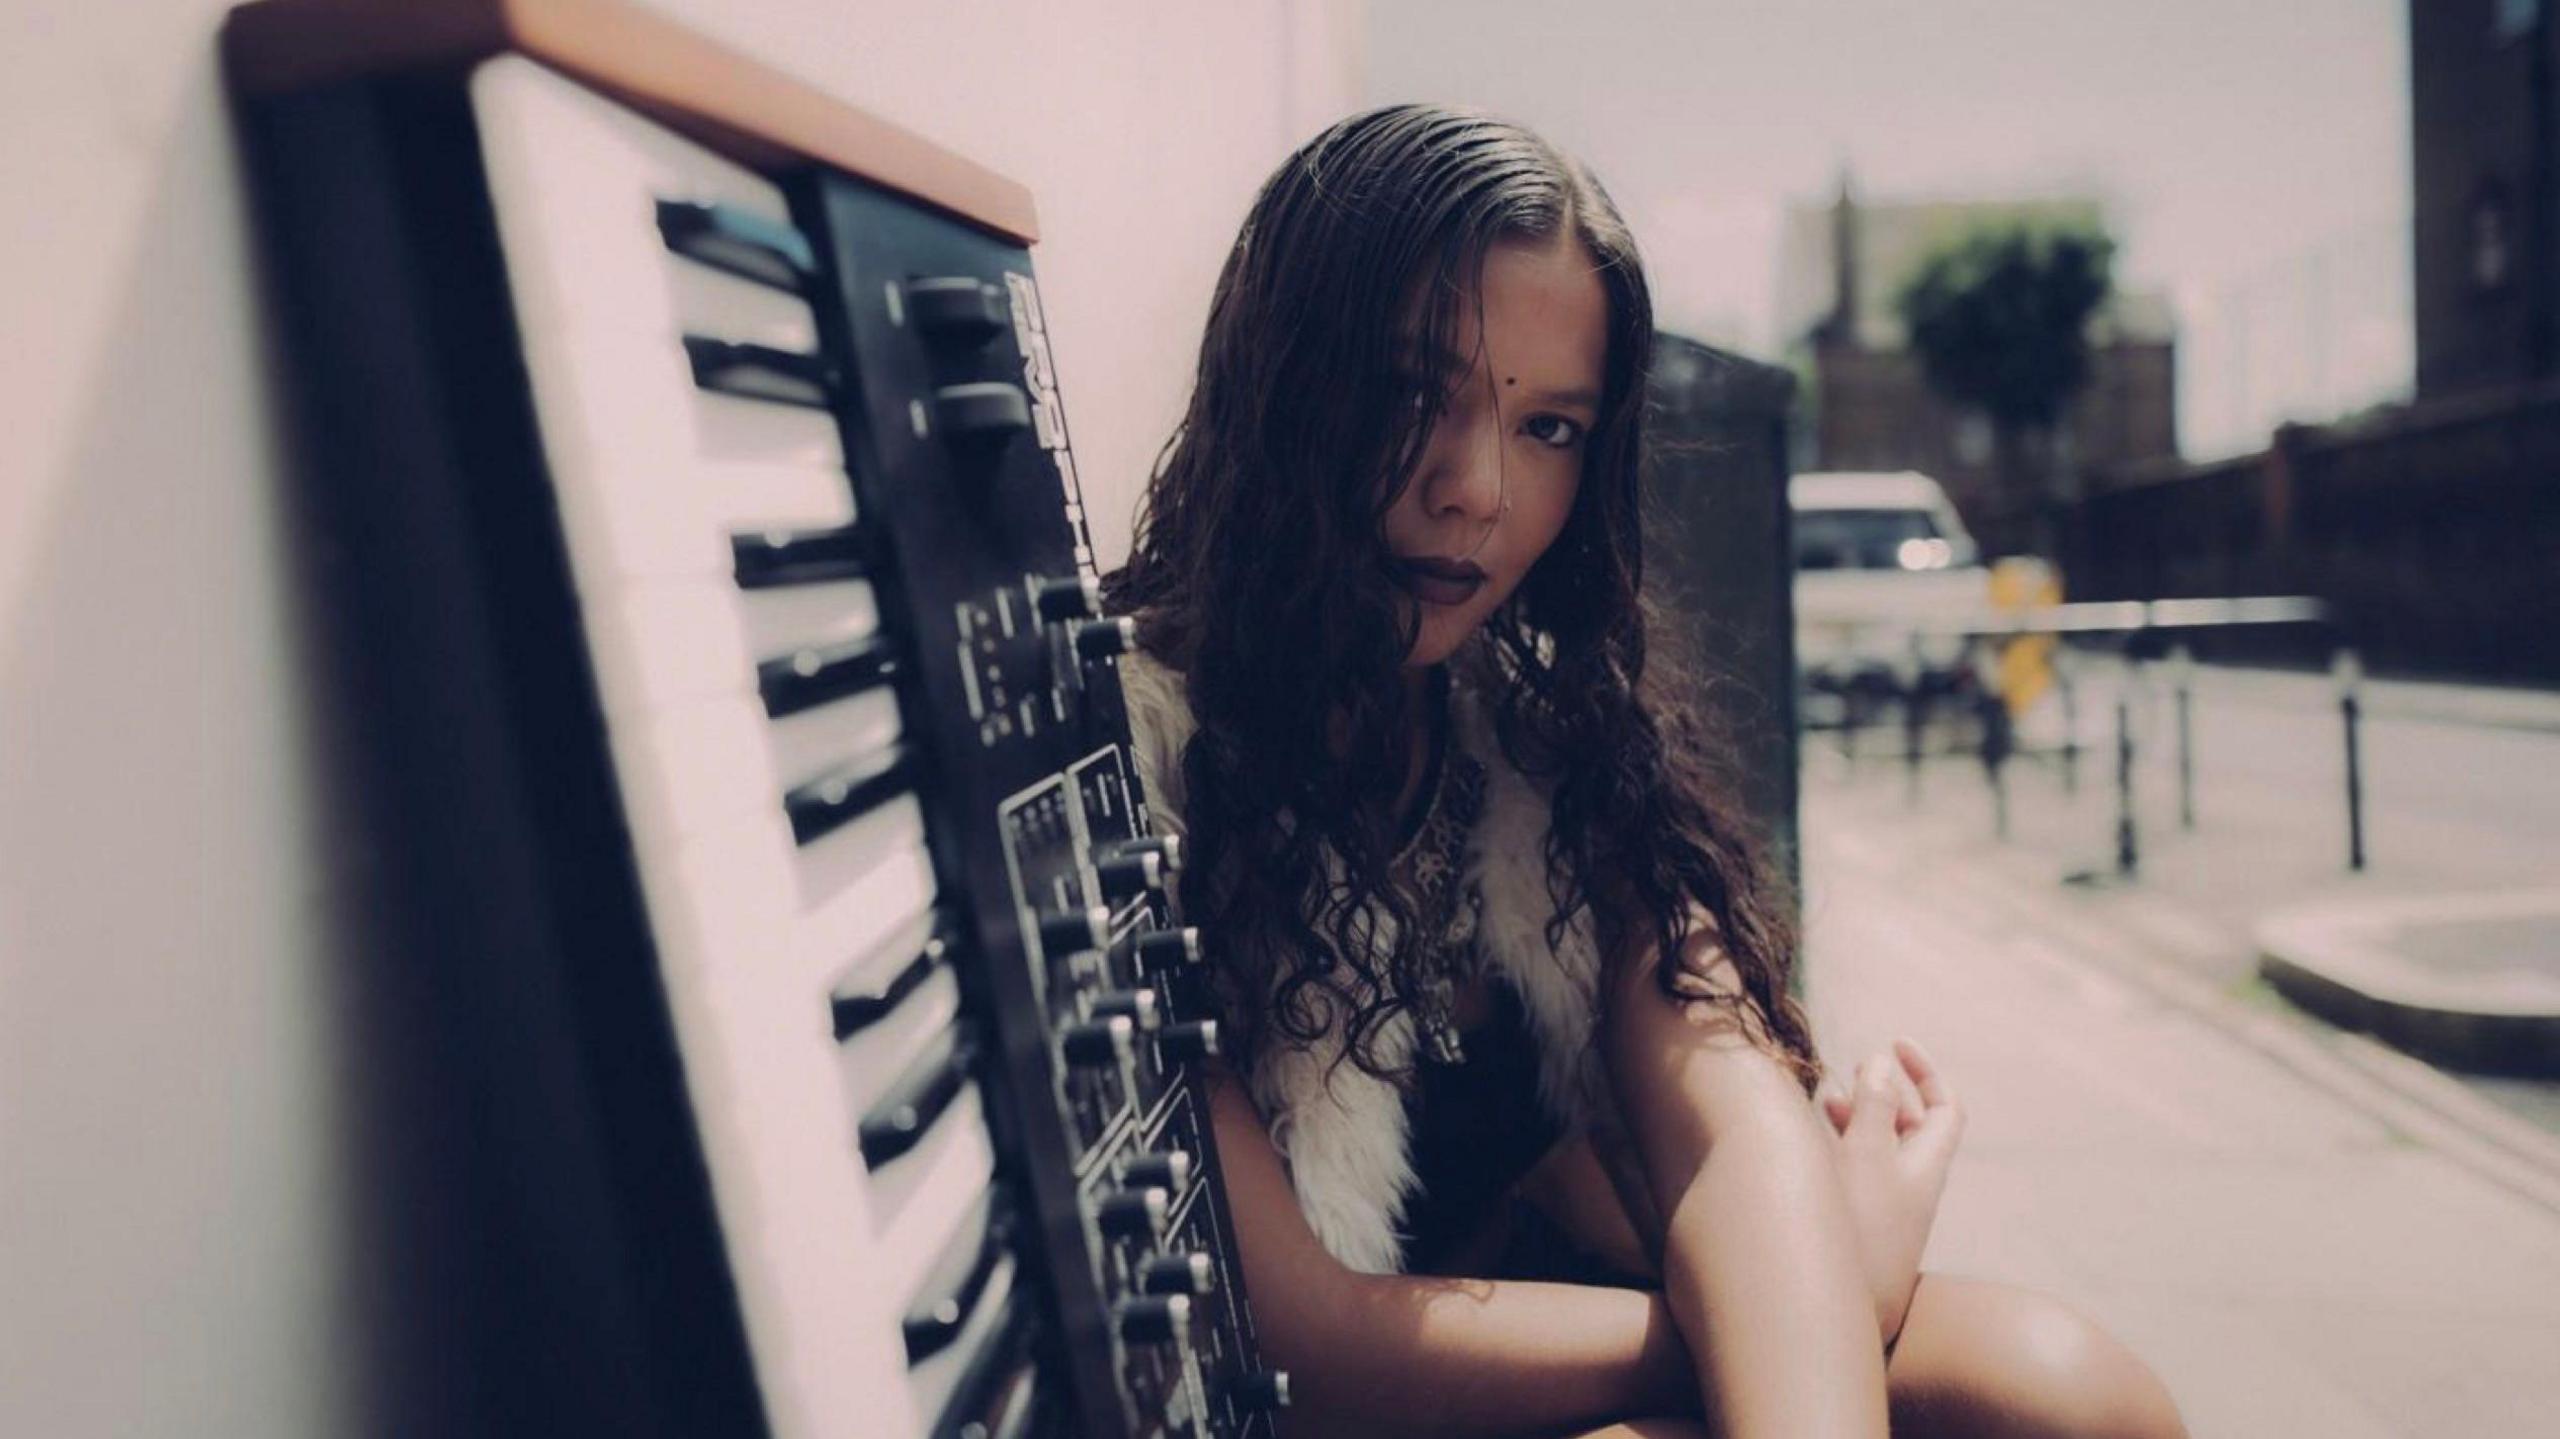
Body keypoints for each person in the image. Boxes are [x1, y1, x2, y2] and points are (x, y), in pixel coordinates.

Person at [1102, 104, 2186, 1439]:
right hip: (1327, 1404)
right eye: (1410, 394)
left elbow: (1733, 1125)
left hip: (1556, 1314)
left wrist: (1784, 1285)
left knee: (2075, 1397)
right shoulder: (1129, 762)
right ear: (1281, 380)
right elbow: (1302, 1344)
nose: (1477, 488)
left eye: (1549, 427)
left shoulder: (1550, 744)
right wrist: (1825, 1286)